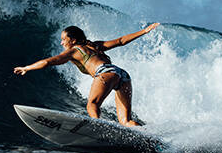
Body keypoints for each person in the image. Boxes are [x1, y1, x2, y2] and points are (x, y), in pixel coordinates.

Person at [13, 23, 160, 126]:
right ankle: (147, 137)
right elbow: (121, 41)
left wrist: (27, 67)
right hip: (122, 75)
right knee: (125, 121)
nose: (61, 43)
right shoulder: (94, 45)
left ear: (73, 40)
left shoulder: (75, 51)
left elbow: (48, 62)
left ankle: (99, 127)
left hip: (105, 73)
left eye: (64, 39)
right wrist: (144, 31)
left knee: (92, 104)